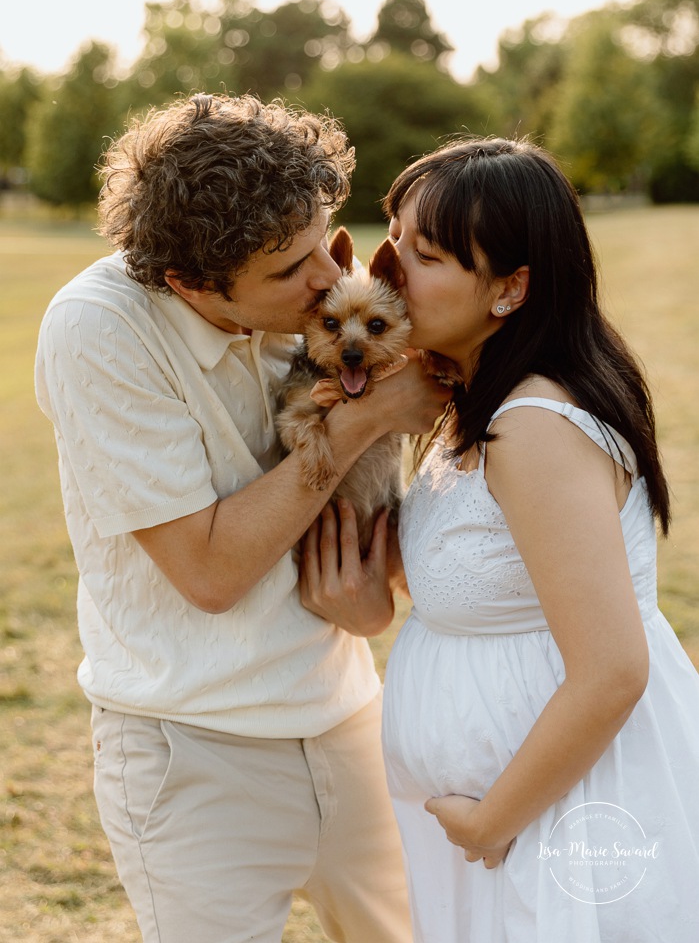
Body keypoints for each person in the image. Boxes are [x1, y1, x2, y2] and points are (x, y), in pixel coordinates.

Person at [34, 92, 449, 943]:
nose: (328, 277)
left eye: (320, 243)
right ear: (189, 282)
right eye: (291, 267)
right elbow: (212, 572)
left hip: (346, 716)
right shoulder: (98, 330)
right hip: (195, 752)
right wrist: (364, 418)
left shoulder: (310, 308)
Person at [301, 137, 699, 942]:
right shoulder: (466, 404)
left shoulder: (534, 427)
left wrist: (492, 822)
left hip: (555, 807)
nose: (390, 267)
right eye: (396, 237)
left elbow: (612, 670)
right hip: (501, 811)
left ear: (510, 289)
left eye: (427, 253)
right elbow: (499, 580)